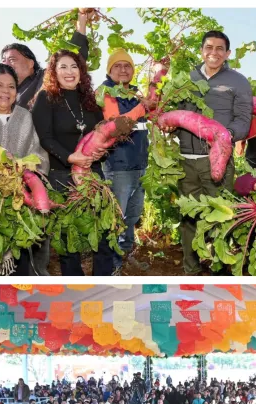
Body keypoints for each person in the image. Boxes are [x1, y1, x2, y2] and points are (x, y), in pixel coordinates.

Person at [166, 30, 252, 275]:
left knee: (221, 214)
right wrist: (170, 126)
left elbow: (243, 120)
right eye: (209, 47)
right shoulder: (187, 78)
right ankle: (191, 269)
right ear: (202, 50)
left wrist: (224, 136)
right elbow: (177, 113)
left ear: (227, 53)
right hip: (186, 159)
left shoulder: (238, 81)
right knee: (188, 216)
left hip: (217, 159)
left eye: (219, 48)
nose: (214, 52)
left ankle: (219, 269)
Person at [31, 49, 116, 276]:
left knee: (104, 231)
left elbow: (102, 135)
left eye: (74, 66)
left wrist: (101, 153)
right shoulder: (46, 98)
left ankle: (103, 281)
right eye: (63, 67)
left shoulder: (90, 100)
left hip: (93, 173)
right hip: (62, 176)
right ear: (54, 72)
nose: (69, 72)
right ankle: (75, 284)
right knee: (68, 237)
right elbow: (45, 138)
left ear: (81, 71)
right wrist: (70, 157)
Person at [0, 63, 49, 276]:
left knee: (18, 258)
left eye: (11, 86)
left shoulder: (24, 116)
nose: (5, 91)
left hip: (19, 199)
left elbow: (37, 152)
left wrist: (29, 173)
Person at [100, 48, 151, 274]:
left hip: (140, 165)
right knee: (115, 218)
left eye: (127, 65)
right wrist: (142, 107)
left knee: (132, 216)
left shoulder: (135, 93)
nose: (123, 69)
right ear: (109, 70)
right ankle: (112, 264)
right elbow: (116, 124)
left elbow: (148, 116)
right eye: (117, 66)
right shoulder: (106, 92)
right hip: (118, 166)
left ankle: (125, 254)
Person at [1, 9, 91, 108]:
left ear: (31, 63)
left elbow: (74, 56)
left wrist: (82, 19)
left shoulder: (46, 76)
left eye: (12, 59)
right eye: (3, 61)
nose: (5, 64)